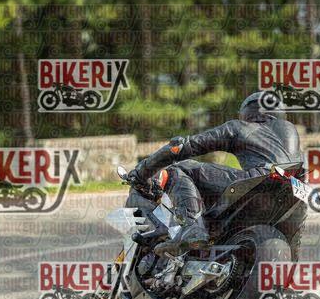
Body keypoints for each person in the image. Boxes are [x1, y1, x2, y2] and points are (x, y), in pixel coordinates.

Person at [128, 92, 307, 258]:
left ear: (249, 111)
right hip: (296, 192)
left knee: (179, 169)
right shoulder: (296, 146)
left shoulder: (241, 127)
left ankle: (192, 228)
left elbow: (185, 146)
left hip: (261, 179)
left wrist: (142, 171)